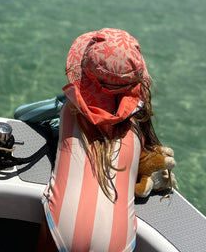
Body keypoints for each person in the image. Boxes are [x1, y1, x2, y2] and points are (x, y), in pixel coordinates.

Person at [38, 28, 175, 252]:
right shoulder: (138, 128)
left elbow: (21, 114)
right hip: (117, 238)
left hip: (63, 223)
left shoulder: (68, 111)